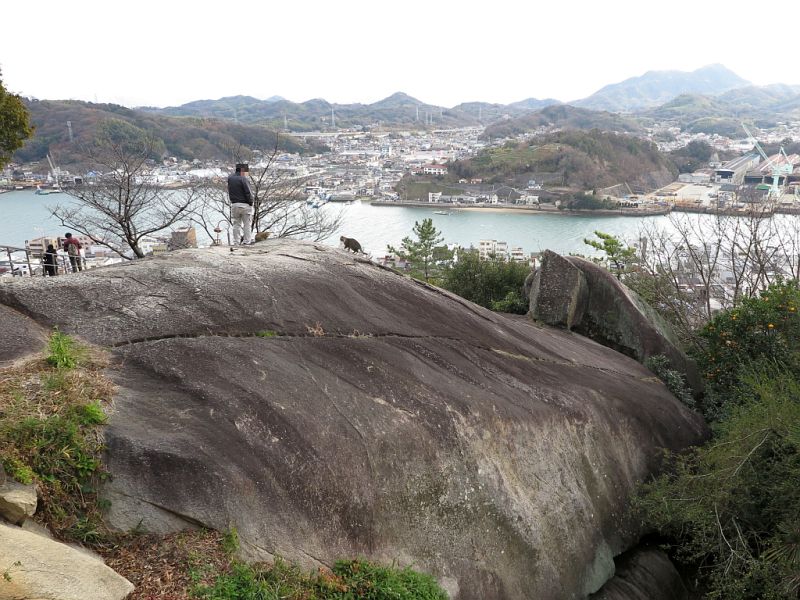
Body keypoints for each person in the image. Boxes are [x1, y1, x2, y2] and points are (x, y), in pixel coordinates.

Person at [227, 163, 254, 245]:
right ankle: (246, 241)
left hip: (234, 204)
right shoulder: (243, 179)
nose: (247, 173)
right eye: (246, 171)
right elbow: (248, 192)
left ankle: (236, 242)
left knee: (236, 224)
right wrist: (250, 202)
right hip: (245, 205)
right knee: (247, 224)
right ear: (243, 170)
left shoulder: (230, 178)